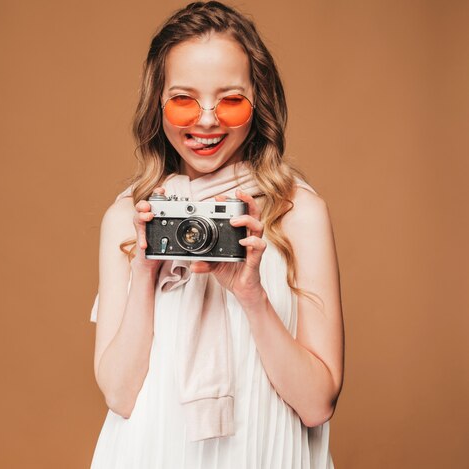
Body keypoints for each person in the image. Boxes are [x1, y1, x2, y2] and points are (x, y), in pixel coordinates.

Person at [89, 2, 344, 467]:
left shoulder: (298, 213)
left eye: (230, 100)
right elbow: (120, 396)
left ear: (258, 102)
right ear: (158, 104)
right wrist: (144, 273)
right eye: (184, 99)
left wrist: (251, 295)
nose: (207, 121)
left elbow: (317, 405)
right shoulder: (128, 218)